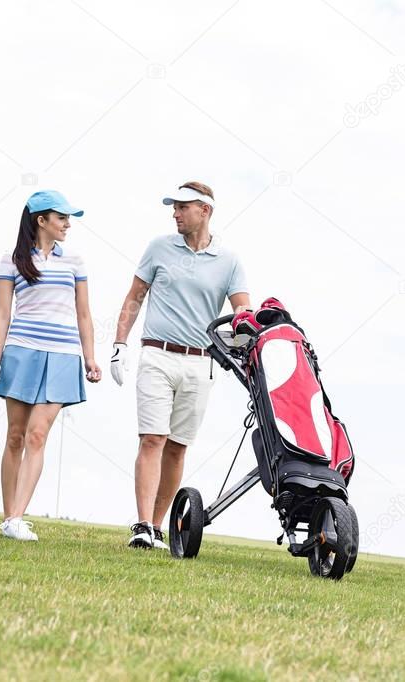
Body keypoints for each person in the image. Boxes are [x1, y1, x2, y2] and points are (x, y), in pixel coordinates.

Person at [110, 181, 250, 549]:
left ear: (204, 211)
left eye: (182, 207)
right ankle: (142, 524)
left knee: (176, 446)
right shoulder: (158, 247)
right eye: (174, 207)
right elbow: (134, 297)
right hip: (157, 354)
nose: (175, 212)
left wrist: (244, 326)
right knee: (152, 438)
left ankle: (156, 526)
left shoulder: (229, 260)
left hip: (200, 361)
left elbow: (242, 310)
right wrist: (119, 343)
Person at [0, 190, 102, 541]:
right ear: (41, 220)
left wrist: (90, 357)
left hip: (63, 355)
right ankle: (9, 517)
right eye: (62, 218)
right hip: (21, 352)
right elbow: (3, 313)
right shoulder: (12, 260)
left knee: (37, 435)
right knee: (16, 435)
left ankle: (17, 518)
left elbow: (83, 313)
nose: (67, 224)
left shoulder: (75, 262)